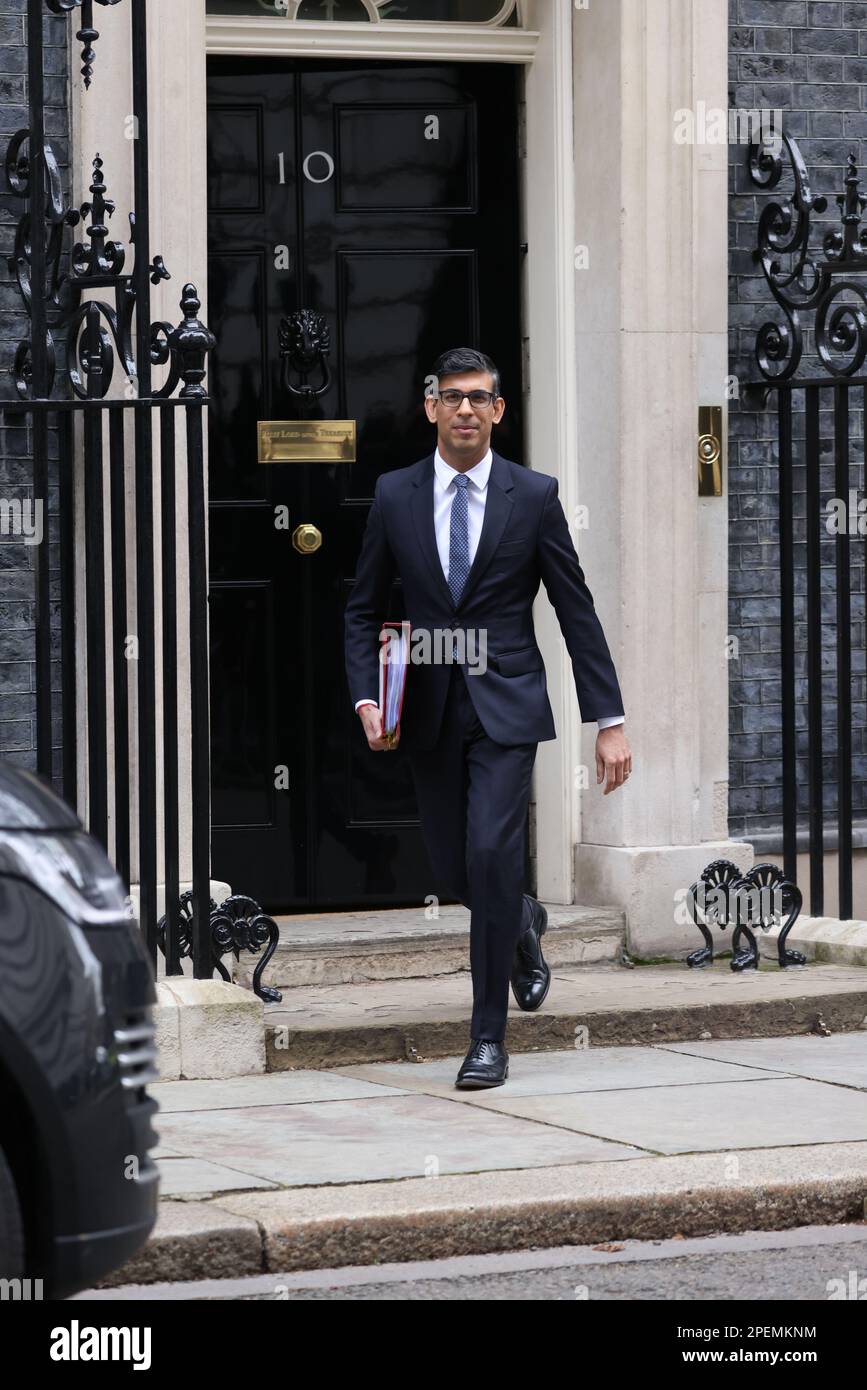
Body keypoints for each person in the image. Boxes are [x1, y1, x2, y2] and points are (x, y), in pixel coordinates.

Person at [344, 347, 631, 1089]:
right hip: (429, 710)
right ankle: (523, 920)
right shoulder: (393, 495)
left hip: (506, 709)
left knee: (488, 852)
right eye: (451, 396)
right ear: (430, 407)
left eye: (479, 397)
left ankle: (485, 1040)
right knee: (454, 869)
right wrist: (367, 695)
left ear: (498, 410)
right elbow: (362, 609)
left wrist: (608, 717)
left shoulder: (532, 496)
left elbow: (575, 610)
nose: (465, 408)